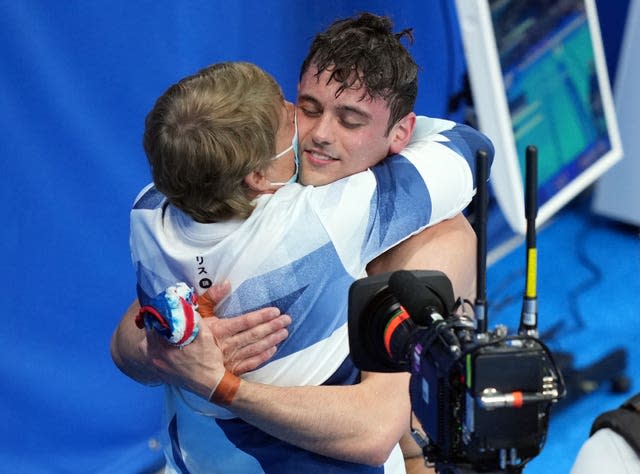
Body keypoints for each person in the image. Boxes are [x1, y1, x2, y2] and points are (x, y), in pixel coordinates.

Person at [111, 13, 493, 474]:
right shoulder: (330, 217)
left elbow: (376, 431)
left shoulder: (153, 207)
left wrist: (208, 376)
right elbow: (471, 149)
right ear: (255, 174)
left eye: (350, 119)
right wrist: (171, 356)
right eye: (305, 109)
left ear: (400, 134)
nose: (318, 134)